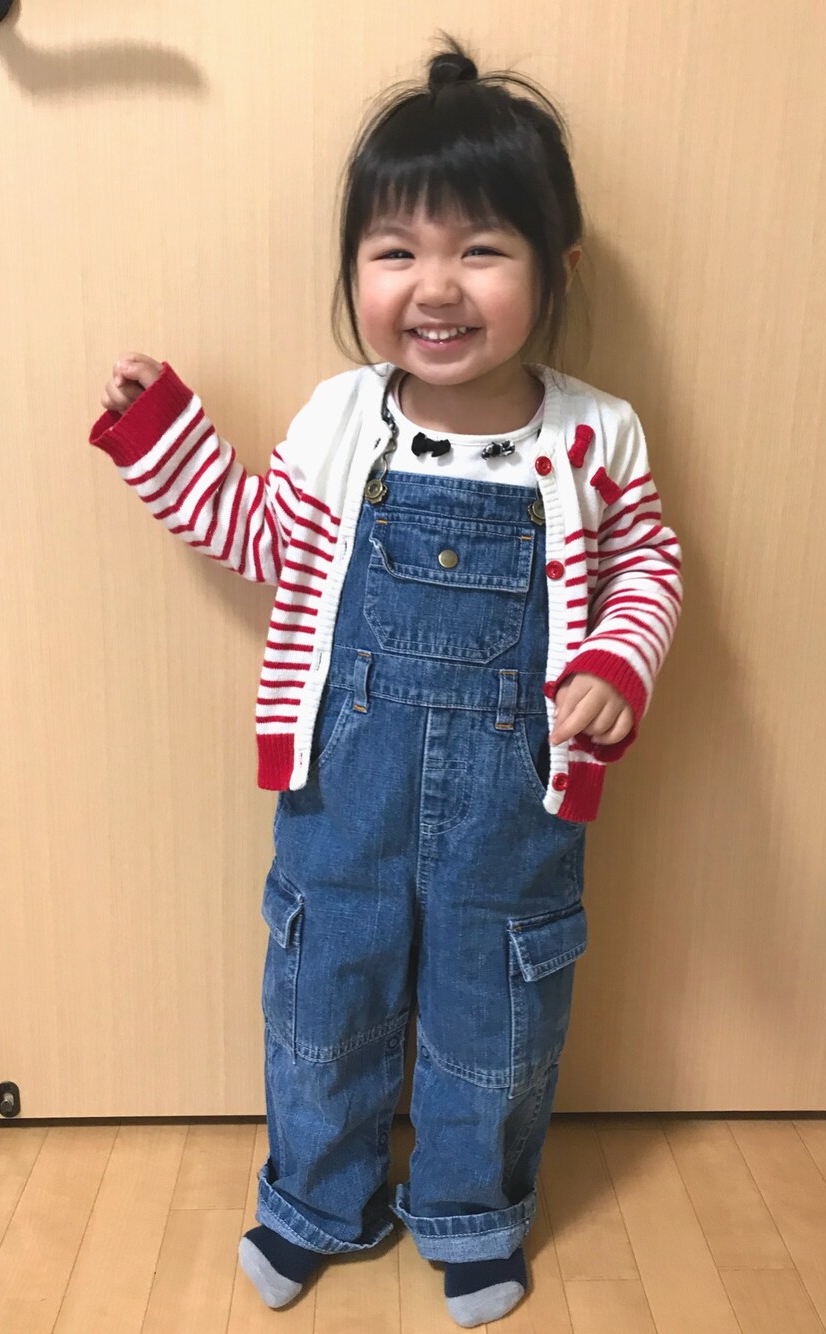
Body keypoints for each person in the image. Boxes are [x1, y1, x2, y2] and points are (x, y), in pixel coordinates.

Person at [88, 32, 682, 1329]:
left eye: (484, 250)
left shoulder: (597, 433)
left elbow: (650, 562)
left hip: (517, 807)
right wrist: (164, 436)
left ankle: (473, 1211)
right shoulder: (340, 419)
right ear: (354, 268)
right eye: (396, 251)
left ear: (558, 266)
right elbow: (263, 538)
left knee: (496, 1011)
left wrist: (613, 662)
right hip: (341, 792)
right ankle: (316, 1199)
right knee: (325, 994)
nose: (437, 287)